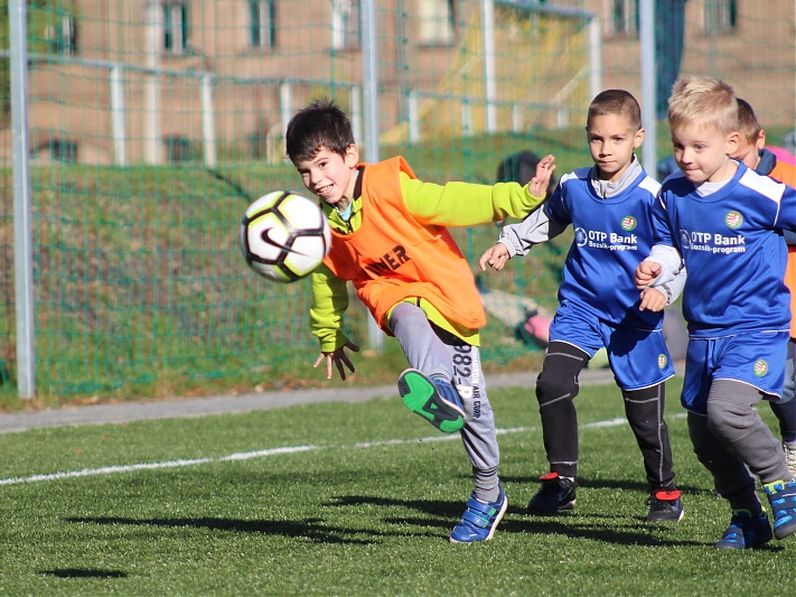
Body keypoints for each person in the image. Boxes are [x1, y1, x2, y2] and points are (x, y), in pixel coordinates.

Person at [284, 98, 551, 543]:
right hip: (396, 296)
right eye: (305, 172)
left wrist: (517, 198)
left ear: (350, 155)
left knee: (474, 410)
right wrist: (329, 334)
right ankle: (437, 384)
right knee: (405, 313)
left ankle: (488, 491)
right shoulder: (321, 229)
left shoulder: (390, 186)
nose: (316, 180)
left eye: (323, 164)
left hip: (446, 294)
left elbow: (452, 200)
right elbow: (325, 279)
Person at [480, 89, 684, 522]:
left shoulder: (653, 196)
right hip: (581, 308)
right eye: (596, 138)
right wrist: (510, 243)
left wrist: (662, 289)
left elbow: (675, 254)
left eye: (616, 139)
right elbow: (550, 218)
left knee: (645, 418)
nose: (605, 149)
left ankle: (665, 491)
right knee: (552, 384)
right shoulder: (574, 185)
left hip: (634, 317)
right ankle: (562, 482)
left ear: (638, 138)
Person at [635, 75, 796, 549]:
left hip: (756, 327)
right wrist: (657, 266)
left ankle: (782, 484)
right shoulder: (673, 193)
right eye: (678, 145)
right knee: (704, 435)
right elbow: (668, 244)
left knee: (727, 412)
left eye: (698, 147)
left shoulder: (762, 193)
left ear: (731, 142)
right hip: (704, 332)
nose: (686, 157)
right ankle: (747, 515)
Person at [731, 98, 796, 478]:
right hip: (758, 309)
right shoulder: (721, 184)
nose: (735, 167)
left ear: (759, 140)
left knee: (786, 385)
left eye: (740, 158)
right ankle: (785, 447)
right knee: (777, 385)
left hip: (790, 297)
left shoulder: (787, 178)